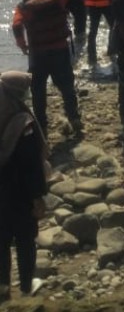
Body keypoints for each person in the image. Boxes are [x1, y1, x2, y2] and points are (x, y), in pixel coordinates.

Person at [11, 0, 82, 137]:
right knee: (67, 85)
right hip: (61, 50)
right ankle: (74, 118)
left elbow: (16, 26)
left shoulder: (24, 7)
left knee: (38, 90)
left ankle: (42, 126)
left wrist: (22, 45)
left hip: (38, 54)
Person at [0, 72, 47, 300]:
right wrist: (38, 196)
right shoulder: (22, 123)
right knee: (25, 239)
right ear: (20, 94)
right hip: (18, 192)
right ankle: (27, 286)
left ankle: (2, 287)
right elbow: (31, 165)